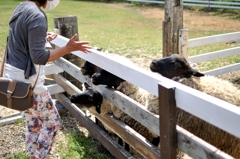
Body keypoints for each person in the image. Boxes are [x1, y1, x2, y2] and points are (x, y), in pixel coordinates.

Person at [3, 0, 92, 159]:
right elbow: (38, 57)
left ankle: (33, 156)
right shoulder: (37, 16)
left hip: (14, 82)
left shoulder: (21, 7)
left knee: (33, 124)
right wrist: (67, 48)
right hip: (30, 84)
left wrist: (42, 37)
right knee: (52, 122)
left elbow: (23, 37)